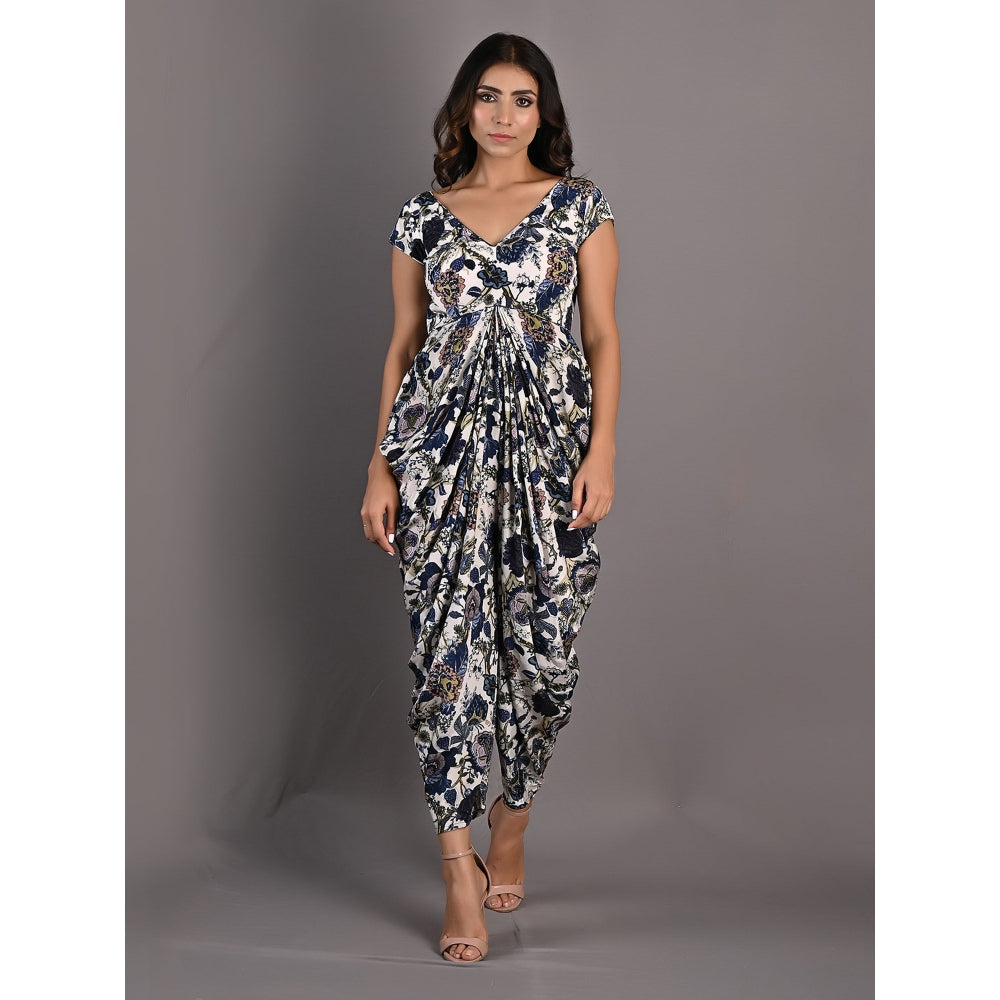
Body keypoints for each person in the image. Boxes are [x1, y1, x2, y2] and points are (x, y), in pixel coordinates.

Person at [360, 32, 621, 963]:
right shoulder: (422, 218)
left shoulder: (580, 207)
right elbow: (403, 346)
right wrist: (380, 466)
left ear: (543, 112)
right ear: (462, 106)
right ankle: (456, 870)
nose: (504, 116)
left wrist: (603, 450)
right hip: (439, 463)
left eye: (522, 99)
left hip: (550, 459)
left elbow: (602, 336)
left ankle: (513, 817)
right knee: (447, 660)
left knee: (546, 665)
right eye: (487, 96)